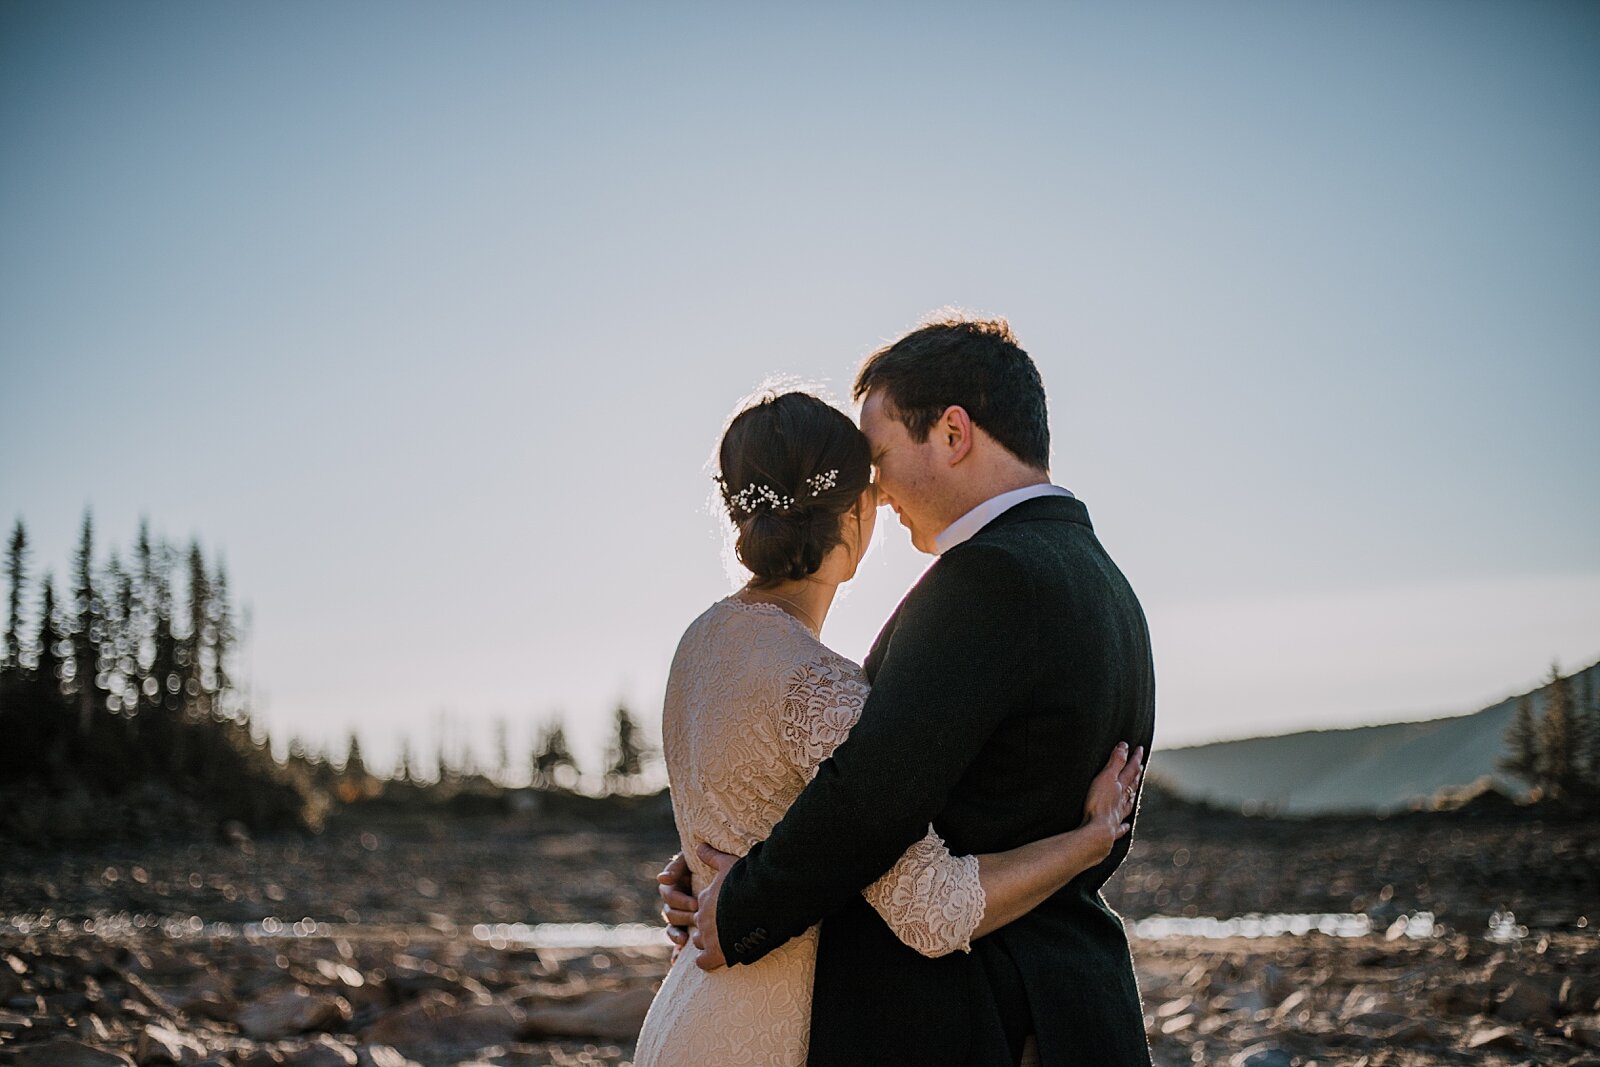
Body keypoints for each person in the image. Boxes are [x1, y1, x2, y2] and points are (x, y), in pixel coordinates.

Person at [669, 317, 1157, 1065]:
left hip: (980, 1013)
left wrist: (741, 902)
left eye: (881, 455)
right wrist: (732, 844)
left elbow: (873, 794)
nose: (875, 489)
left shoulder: (991, 580)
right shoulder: (1103, 578)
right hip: (1073, 996)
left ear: (953, 432)